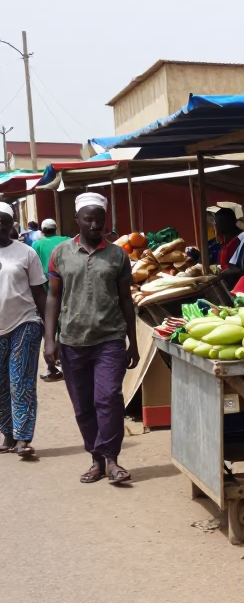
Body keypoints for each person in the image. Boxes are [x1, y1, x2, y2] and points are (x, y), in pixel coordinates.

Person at [43, 191, 139, 484]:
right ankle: (96, 459)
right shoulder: (60, 253)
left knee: (108, 397)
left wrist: (132, 341)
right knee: (83, 404)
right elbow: (53, 298)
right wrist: (50, 339)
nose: (95, 225)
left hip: (109, 338)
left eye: (100, 219)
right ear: (77, 220)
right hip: (72, 340)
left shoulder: (118, 255)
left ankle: (111, 459)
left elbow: (126, 300)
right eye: (89, 219)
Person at [0, 202, 46, 458]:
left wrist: (51, 331)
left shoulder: (26, 253)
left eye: (4, 220)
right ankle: (7, 434)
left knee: (21, 381)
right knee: (1, 383)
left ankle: (23, 438)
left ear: (12, 225)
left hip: (24, 323)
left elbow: (40, 293)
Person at [32, 219, 68, 382]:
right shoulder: (66, 240)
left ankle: (53, 363)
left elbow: (35, 267)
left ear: (43, 230)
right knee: (63, 316)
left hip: (47, 284)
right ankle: (63, 360)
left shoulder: (37, 244)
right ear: (55, 229)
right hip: (66, 282)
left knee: (50, 319)